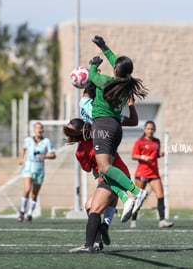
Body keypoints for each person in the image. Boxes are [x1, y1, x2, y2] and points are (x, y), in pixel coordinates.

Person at [88, 35, 149, 224]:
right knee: (105, 169)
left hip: (103, 126)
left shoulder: (107, 82)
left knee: (104, 167)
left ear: (115, 71)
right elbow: (118, 64)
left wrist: (93, 64)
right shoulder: (125, 83)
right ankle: (125, 198)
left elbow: (91, 76)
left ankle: (137, 192)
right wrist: (104, 47)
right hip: (114, 127)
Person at [64, 118, 133, 252]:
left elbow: (87, 169)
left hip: (110, 177)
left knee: (95, 209)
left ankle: (88, 245)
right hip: (120, 173)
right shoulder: (99, 135)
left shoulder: (81, 151)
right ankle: (100, 236)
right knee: (89, 206)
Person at [130, 121, 174, 228]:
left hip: (154, 173)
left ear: (154, 130)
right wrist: (143, 157)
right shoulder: (139, 142)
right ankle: (133, 219)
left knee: (160, 195)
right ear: (144, 129)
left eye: (152, 129)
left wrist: (160, 154)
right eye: (148, 128)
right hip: (142, 173)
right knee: (139, 197)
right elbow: (133, 155)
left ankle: (162, 220)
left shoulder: (157, 141)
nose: (150, 131)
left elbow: (155, 155)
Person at [17, 122, 56, 223]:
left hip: (39, 170)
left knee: (34, 194)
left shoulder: (46, 141)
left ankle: (29, 214)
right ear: (34, 130)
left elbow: (53, 155)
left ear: (43, 130)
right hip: (29, 168)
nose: (39, 130)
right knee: (27, 189)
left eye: (41, 128)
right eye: (37, 128)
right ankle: (22, 211)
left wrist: (46, 156)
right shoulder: (28, 140)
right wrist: (21, 159)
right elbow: (23, 149)